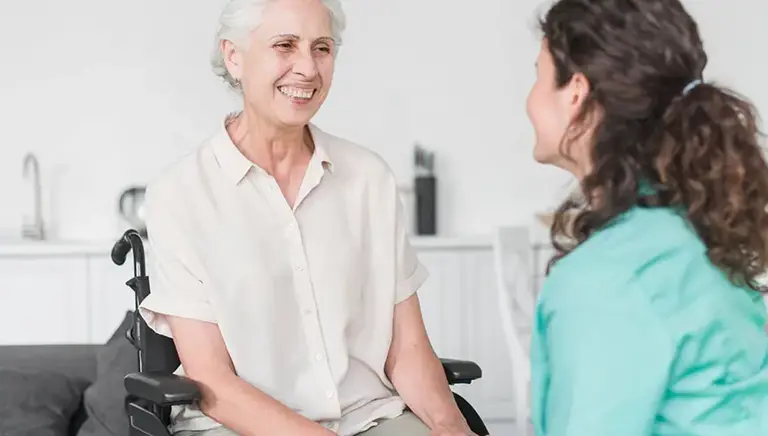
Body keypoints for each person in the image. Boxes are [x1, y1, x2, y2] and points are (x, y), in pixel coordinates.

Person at [138, 0, 476, 435]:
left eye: (322, 48)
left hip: (369, 417)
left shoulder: (368, 178)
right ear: (233, 55)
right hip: (239, 426)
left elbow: (406, 349)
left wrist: (453, 428)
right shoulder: (180, 193)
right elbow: (212, 379)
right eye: (285, 45)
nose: (308, 68)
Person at [525, 0, 768, 434]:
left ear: (576, 93)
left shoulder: (607, 279)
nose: (529, 101)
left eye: (539, 77)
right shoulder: (696, 232)